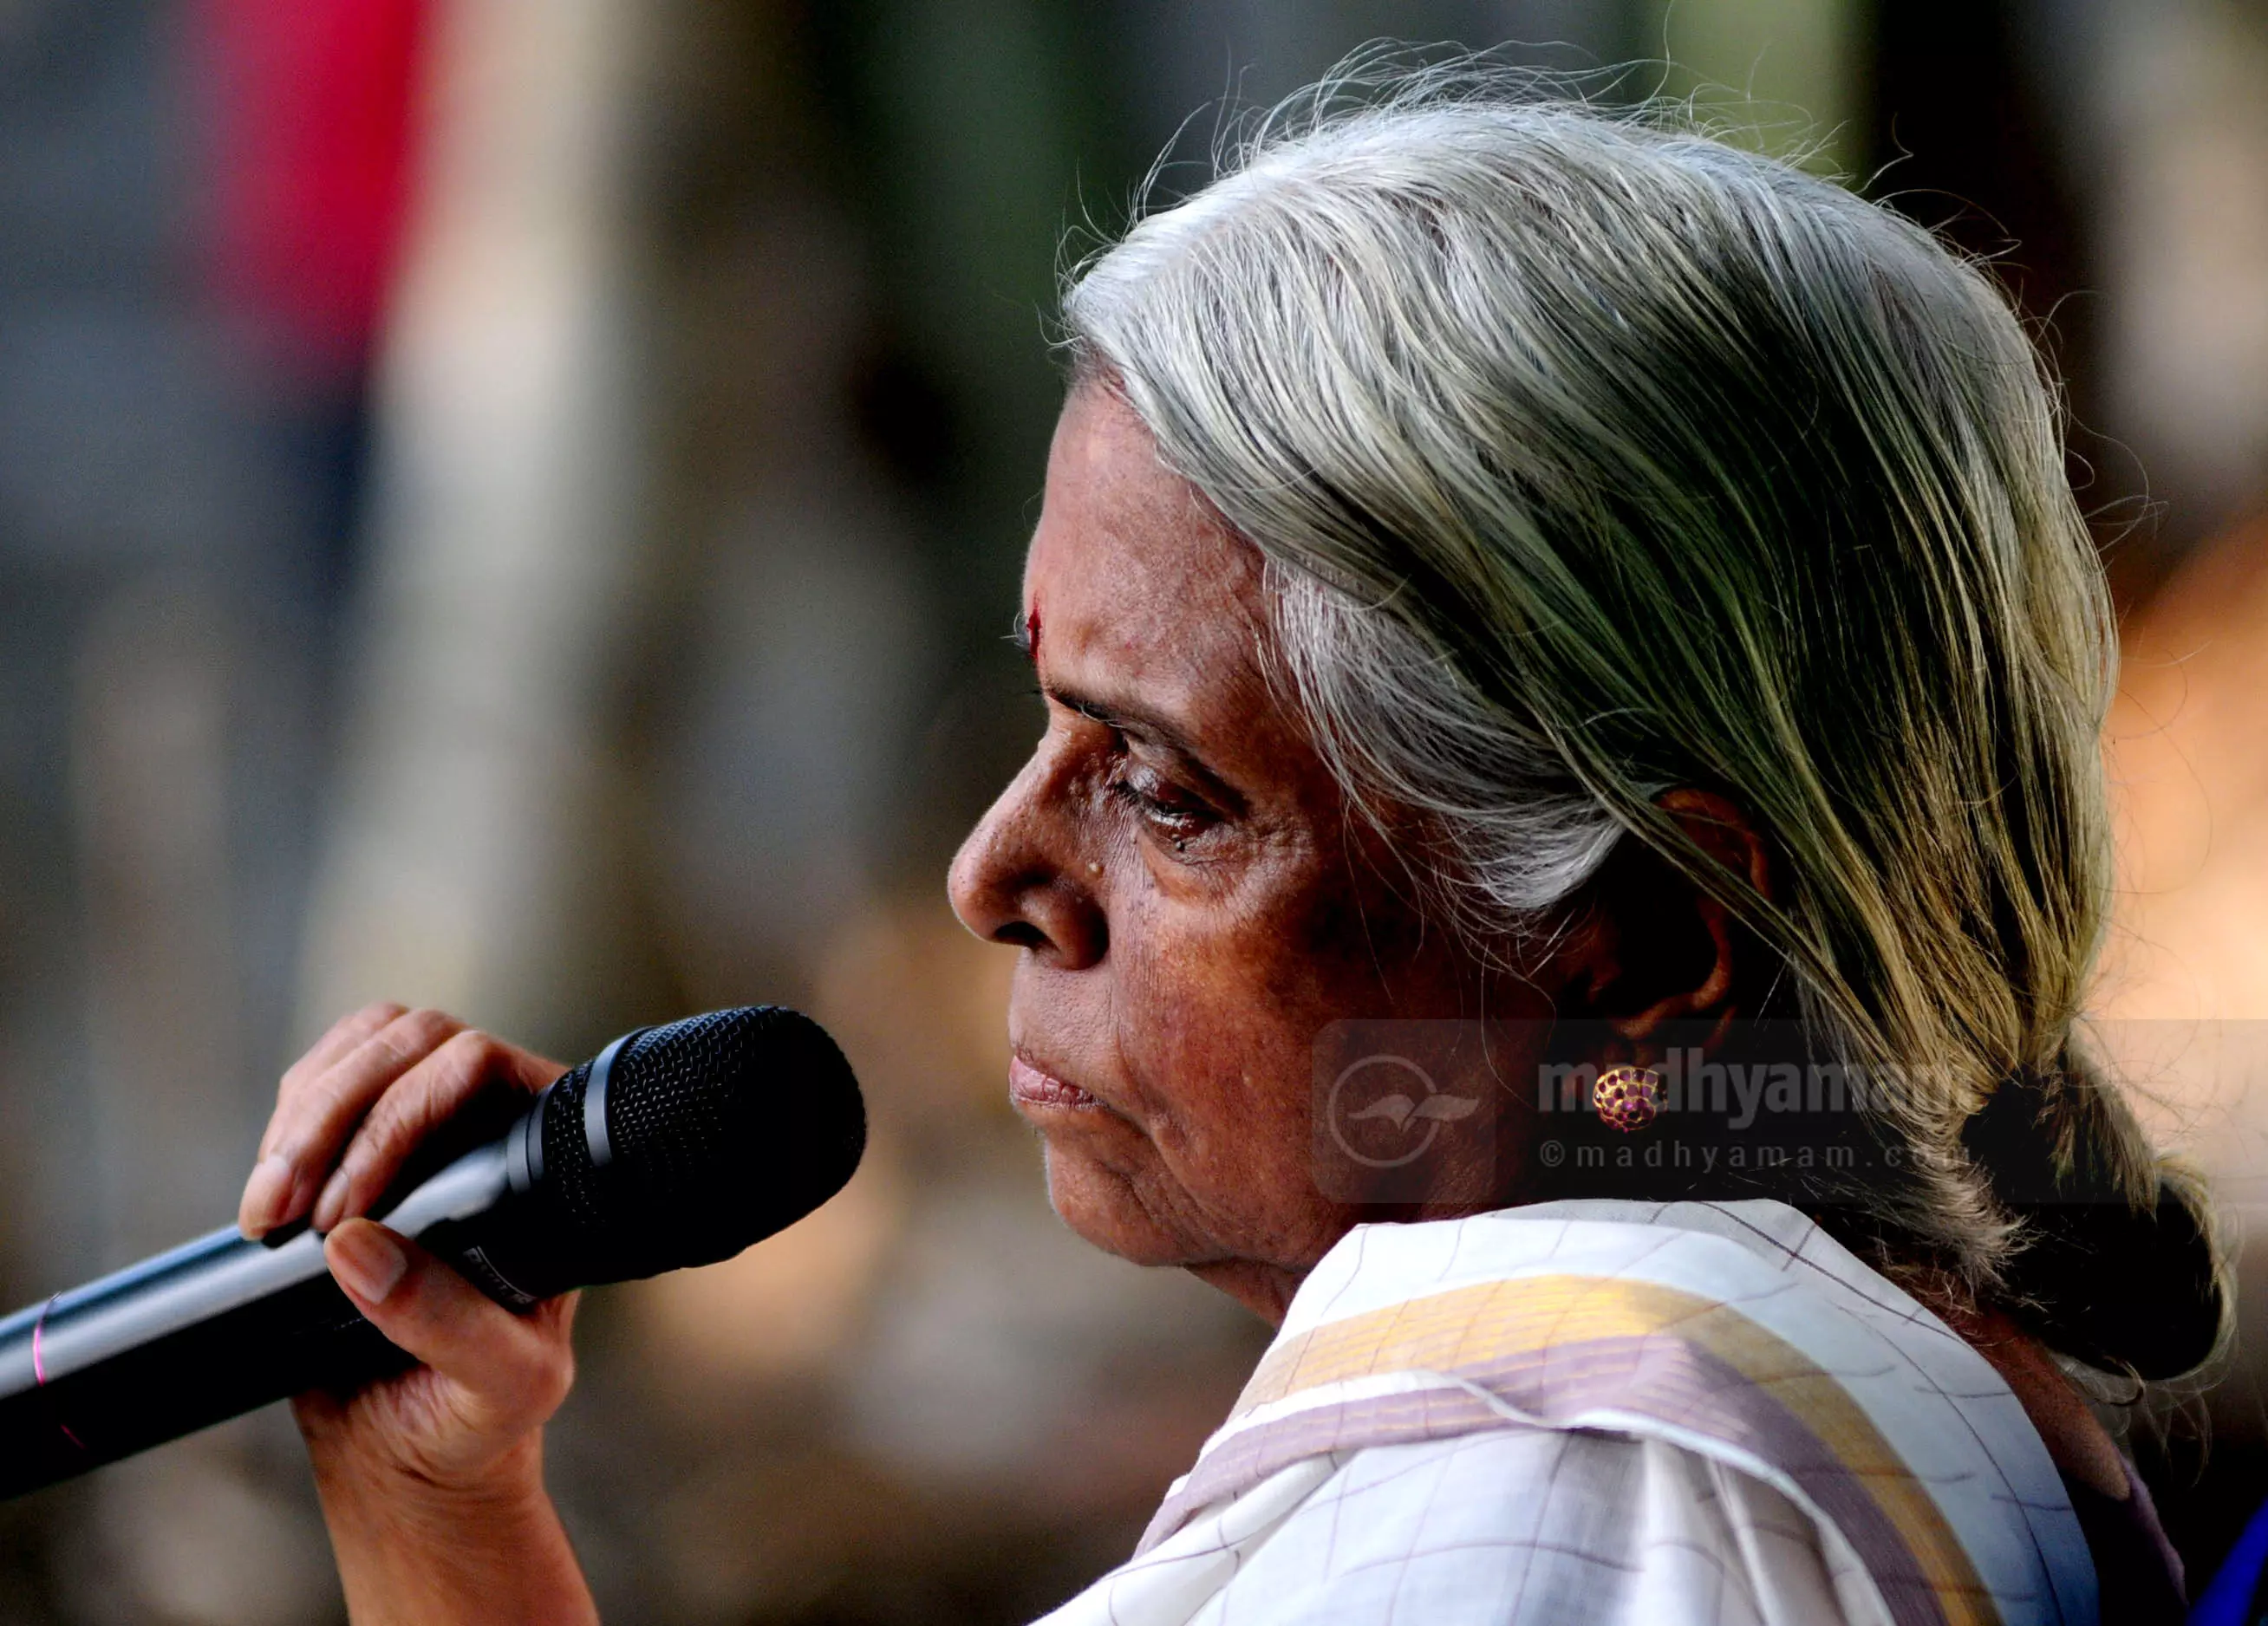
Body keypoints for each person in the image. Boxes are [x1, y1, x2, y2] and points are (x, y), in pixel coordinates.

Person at [236, 68, 2226, 1624]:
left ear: (1633, 941)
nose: (995, 866)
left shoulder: (1554, 1525)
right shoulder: (1737, 1433)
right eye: (1046, 716)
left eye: (1168, 785)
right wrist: (446, 1510)